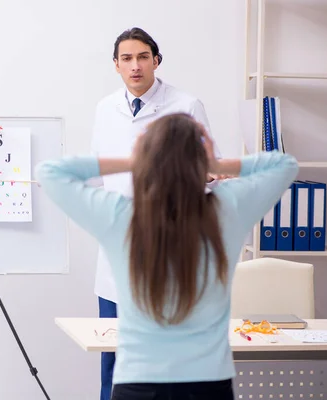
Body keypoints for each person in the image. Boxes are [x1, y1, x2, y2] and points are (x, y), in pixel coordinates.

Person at [36, 113, 298, 399]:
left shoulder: (119, 217)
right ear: (200, 160)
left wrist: (134, 161)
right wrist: (216, 164)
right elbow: (284, 165)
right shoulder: (227, 210)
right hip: (208, 384)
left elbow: (50, 172)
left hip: (137, 383)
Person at [90, 27, 222, 400]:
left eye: (143, 57)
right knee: (113, 362)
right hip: (118, 253)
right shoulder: (105, 109)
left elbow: (209, 172)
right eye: (127, 59)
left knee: (167, 365)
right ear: (115, 65)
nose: (135, 66)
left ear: (156, 61)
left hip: (169, 251)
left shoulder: (187, 105)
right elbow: (100, 176)